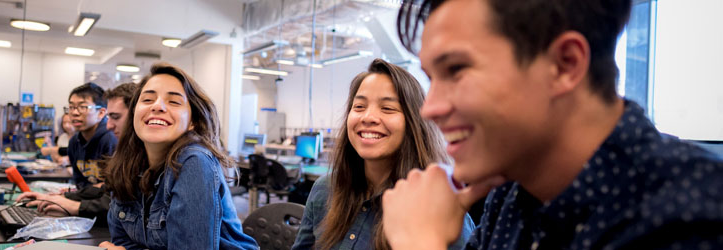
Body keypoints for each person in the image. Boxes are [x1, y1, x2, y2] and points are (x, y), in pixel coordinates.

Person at [381, 0, 723, 249]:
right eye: (431, 79)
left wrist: (419, 242)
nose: (430, 109)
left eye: (456, 70)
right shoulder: (511, 196)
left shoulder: (692, 214)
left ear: (564, 64)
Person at [292, 59, 474, 250]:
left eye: (387, 108)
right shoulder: (324, 189)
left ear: (414, 123)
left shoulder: (439, 208)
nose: (368, 117)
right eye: (359, 107)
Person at [98, 63, 257, 250]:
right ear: (134, 114)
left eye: (174, 102)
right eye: (148, 100)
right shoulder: (128, 165)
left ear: (192, 122)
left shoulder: (195, 162)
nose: (157, 106)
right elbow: (122, 241)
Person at [17, 83, 118, 219]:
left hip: (105, 216)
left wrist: (69, 203)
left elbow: (110, 195)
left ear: (101, 113)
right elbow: (83, 188)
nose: (74, 113)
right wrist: (58, 197)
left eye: (83, 107)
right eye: (71, 107)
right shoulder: (74, 142)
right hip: (88, 210)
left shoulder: (111, 139)